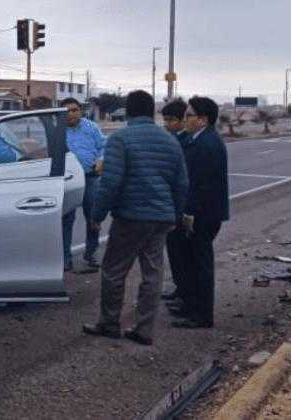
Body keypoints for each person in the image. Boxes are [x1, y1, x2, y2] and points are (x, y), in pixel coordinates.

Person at [82, 90, 188, 346]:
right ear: (151, 111)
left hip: (131, 217)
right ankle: (144, 330)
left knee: (114, 271)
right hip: (161, 218)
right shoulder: (171, 140)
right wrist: (174, 215)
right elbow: (182, 183)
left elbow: (111, 182)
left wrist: (97, 214)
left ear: (128, 111)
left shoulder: (120, 139)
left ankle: (109, 323)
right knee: (153, 274)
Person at [171, 96, 229, 329]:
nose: (185, 120)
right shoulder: (196, 138)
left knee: (200, 264)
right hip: (197, 212)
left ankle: (202, 315)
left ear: (203, 120)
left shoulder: (208, 144)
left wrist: (189, 213)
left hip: (203, 215)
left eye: (189, 116)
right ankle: (190, 305)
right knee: (190, 262)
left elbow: (201, 184)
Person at [60, 97, 107, 271]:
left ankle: (91, 253)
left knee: (93, 216)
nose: (71, 114)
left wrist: (101, 159)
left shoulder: (91, 127)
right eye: (67, 111)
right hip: (68, 179)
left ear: (80, 110)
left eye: (75, 110)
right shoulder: (57, 130)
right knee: (66, 219)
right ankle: (65, 257)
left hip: (90, 176)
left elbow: (104, 145)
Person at [159, 99, 190, 306]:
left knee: (183, 253)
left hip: (181, 207)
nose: (167, 124)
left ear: (182, 121)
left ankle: (186, 292)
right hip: (170, 206)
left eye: (171, 120)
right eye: (165, 120)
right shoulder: (172, 139)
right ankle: (180, 288)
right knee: (174, 251)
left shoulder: (185, 142)